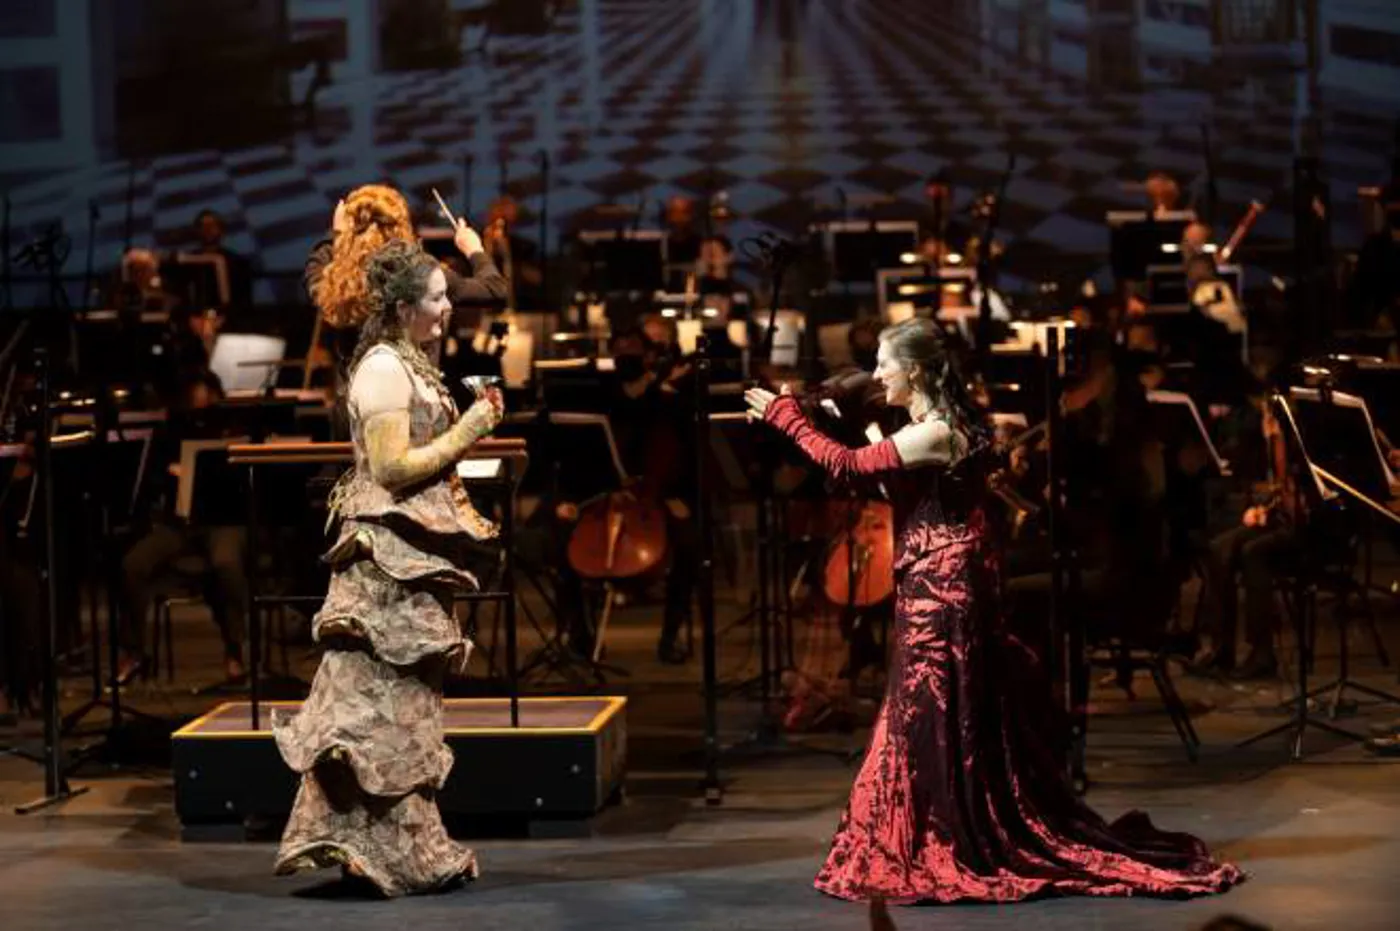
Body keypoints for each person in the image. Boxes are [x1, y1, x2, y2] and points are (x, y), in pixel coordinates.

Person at [744, 317, 1242, 905]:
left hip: (943, 587)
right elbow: (883, 482)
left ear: (920, 370)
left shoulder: (938, 433)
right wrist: (829, 417)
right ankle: (933, 827)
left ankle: (945, 836)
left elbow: (850, 467)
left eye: (886, 362)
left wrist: (788, 419)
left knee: (930, 714)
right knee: (931, 714)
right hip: (936, 578)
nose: (877, 374)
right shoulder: (932, 428)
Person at [273, 239, 504, 896]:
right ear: (404, 306)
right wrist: (470, 430)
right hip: (383, 561)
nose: (447, 306)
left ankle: (399, 849)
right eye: (436, 297)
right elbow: (392, 467)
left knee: (406, 710)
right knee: (375, 713)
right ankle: (377, 849)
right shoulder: (381, 368)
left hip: (414, 553)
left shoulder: (413, 360)